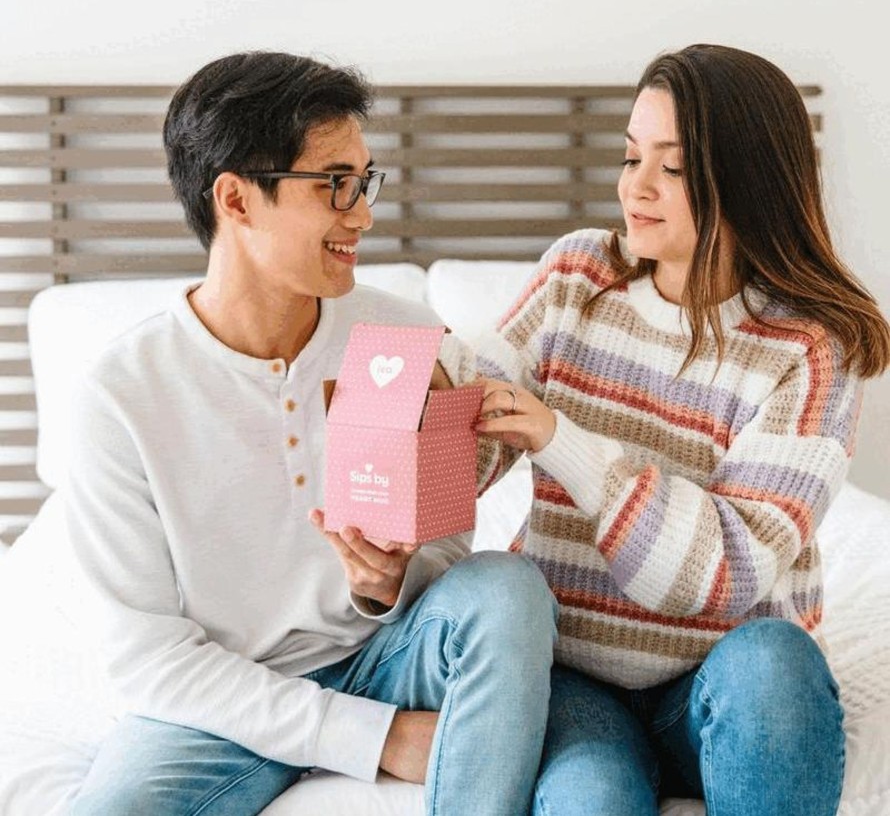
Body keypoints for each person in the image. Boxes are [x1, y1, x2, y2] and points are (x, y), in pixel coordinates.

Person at [66, 51, 558, 816]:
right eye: (335, 185)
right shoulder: (122, 395)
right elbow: (150, 659)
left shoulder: (402, 334)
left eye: (365, 182)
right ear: (235, 198)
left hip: (390, 656)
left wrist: (387, 586)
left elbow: (448, 550)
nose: (361, 214)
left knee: (507, 588)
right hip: (222, 700)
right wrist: (377, 738)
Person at [442, 44, 890, 815]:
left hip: (723, 677)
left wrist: (564, 442)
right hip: (580, 677)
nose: (634, 188)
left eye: (672, 169)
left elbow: (720, 581)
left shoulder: (813, 351)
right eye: (629, 156)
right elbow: (473, 449)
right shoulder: (576, 278)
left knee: (776, 669)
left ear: (746, 181)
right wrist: (430, 392)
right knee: (590, 801)